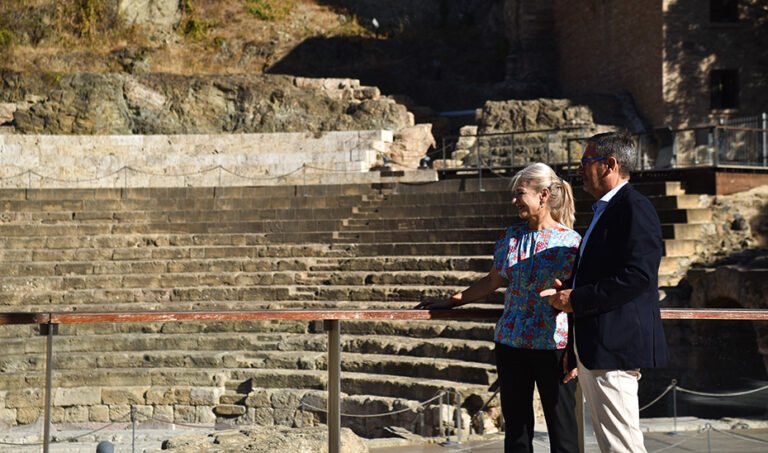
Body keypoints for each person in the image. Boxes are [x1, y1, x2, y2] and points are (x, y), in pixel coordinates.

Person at [416, 162, 581, 453]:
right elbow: (493, 280)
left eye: (520, 193)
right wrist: (454, 300)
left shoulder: (571, 243)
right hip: (510, 342)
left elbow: (578, 299)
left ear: (543, 195)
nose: (514, 200)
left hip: (554, 346)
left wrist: (577, 350)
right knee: (516, 429)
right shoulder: (512, 237)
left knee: (562, 428)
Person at [548, 131, 668, 453]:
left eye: (586, 162)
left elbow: (638, 276)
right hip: (596, 347)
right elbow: (605, 273)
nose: (579, 169)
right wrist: (572, 292)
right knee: (612, 445)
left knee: (622, 446)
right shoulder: (607, 210)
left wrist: (576, 299)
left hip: (614, 347)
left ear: (609, 165)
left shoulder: (634, 208)